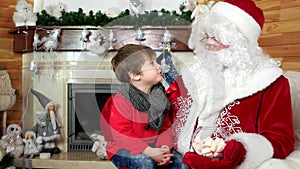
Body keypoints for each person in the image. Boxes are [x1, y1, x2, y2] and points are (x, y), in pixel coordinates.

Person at [165, 0, 295, 168]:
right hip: (172, 158)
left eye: (217, 38)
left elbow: (281, 140)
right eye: (207, 36)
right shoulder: (193, 71)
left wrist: (240, 150)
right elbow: (166, 111)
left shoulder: (271, 82)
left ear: (239, 43)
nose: (209, 44)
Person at [100, 44, 185, 169]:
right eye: (152, 63)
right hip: (123, 148)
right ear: (135, 75)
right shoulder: (122, 100)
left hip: (153, 146)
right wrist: (148, 151)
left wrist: (164, 148)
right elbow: (122, 136)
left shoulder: (159, 97)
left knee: (181, 163)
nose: (159, 66)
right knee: (145, 163)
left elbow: (166, 127)